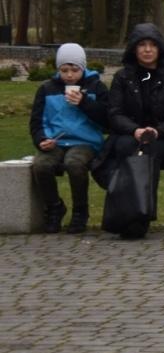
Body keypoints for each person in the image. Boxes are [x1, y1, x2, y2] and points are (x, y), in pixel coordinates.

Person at [105, 23, 164, 236]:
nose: (147, 50)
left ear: (159, 49)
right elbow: (114, 113)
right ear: (134, 49)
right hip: (131, 136)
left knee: (147, 151)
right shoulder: (122, 77)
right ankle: (123, 216)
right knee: (126, 148)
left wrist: (158, 131)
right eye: (142, 45)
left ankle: (139, 218)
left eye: (152, 45)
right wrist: (135, 130)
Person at [29, 43, 109, 234]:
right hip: (55, 141)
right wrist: (41, 139)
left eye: (74, 69)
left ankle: (80, 211)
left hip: (85, 142)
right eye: (64, 70)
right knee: (41, 165)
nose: (69, 75)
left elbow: (107, 118)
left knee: (74, 164)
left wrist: (84, 103)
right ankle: (54, 206)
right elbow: (36, 121)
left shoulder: (96, 87)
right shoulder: (47, 89)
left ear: (83, 68)